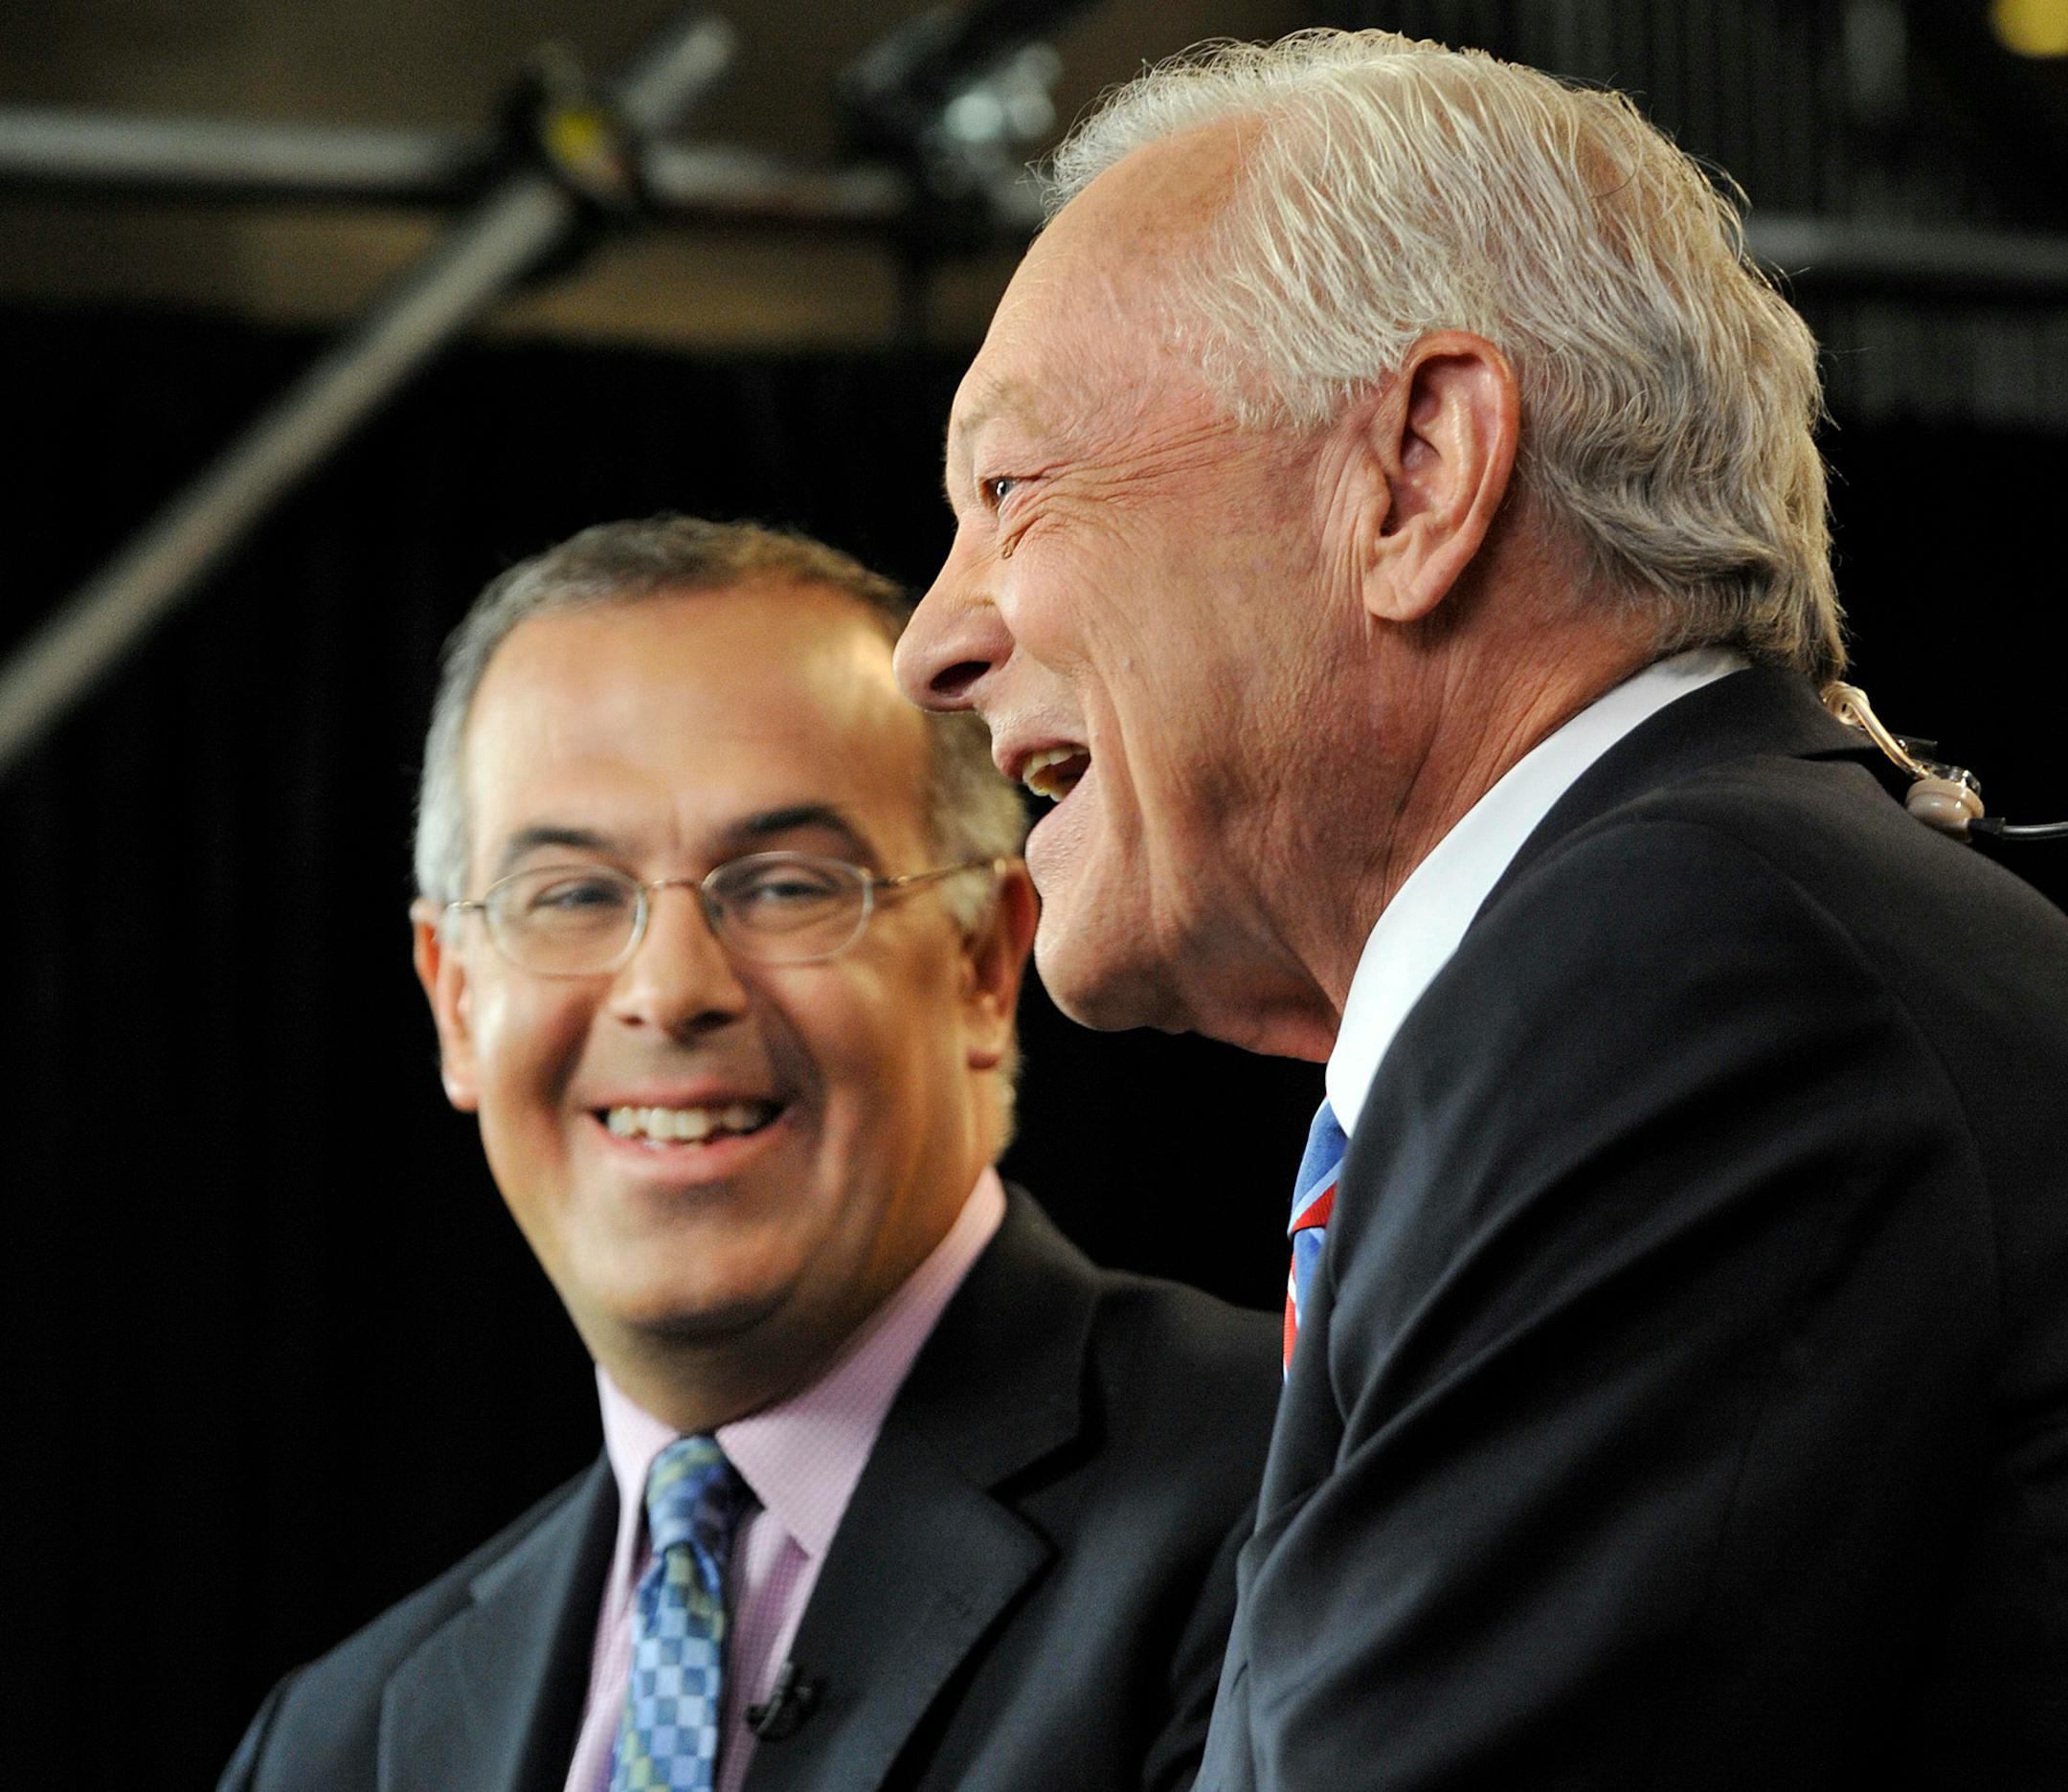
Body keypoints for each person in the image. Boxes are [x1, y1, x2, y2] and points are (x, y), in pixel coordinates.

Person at [895, 29, 2068, 1790]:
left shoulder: (1681, 978)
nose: (934, 642)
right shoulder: (1711, 930)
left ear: (1419, 471)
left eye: (1009, 495)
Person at [218, 517, 1281, 1792]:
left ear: (984, 966)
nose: (670, 992)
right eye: (571, 894)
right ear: (454, 1002)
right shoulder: (336, 1746)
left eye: (785, 884)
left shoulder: (1280, 1498)